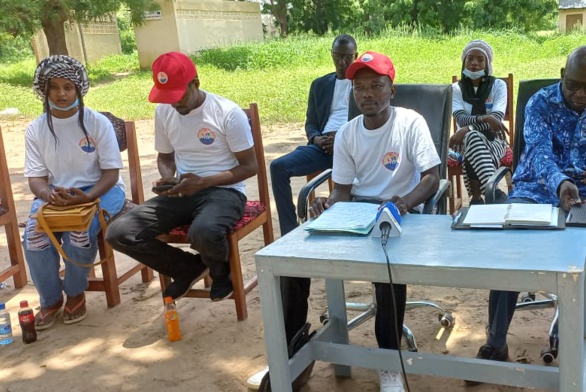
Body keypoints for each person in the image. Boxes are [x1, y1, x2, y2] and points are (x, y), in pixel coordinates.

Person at [472, 46, 586, 385]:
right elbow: (537, 153)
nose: (582, 94)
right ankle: (495, 343)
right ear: (562, 75)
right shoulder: (541, 102)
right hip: (536, 189)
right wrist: (560, 182)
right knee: (507, 242)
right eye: (574, 85)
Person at [298, 51, 440, 392]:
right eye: (359, 88)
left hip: (402, 212)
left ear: (392, 90)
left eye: (376, 86)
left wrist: (403, 203)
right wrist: (327, 203)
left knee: (387, 265)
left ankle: (389, 363)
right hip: (359, 210)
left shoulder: (410, 122)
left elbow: (431, 178)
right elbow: (343, 191)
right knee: (293, 264)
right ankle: (294, 353)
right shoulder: (347, 133)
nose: (367, 94)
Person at [106, 52, 257, 302]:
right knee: (119, 232)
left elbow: (250, 167)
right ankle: (187, 268)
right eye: (168, 97)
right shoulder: (165, 112)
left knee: (204, 231)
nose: (175, 103)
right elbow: (165, 157)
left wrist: (204, 182)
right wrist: (168, 177)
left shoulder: (227, 113)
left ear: (195, 82)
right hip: (183, 190)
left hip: (225, 191)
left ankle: (221, 274)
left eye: (179, 95)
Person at [22, 55, 126, 329]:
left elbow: (111, 174)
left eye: (68, 87)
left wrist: (89, 196)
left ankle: (76, 292)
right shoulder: (35, 128)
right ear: (43, 91)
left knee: (79, 231)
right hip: (56, 193)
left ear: (79, 88)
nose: (61, 93)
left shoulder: (97, 123)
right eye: (54, 87)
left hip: (102, 189)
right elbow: (36, 178)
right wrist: (47, 195)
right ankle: (50, 299)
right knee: (34, 236)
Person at [270, 34, 357, 236]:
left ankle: (347, 228)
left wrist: (342, 138)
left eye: (347, 57)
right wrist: (317, 138)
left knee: (354, 179)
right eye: (337, 56)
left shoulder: (362, 85)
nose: (342, 62)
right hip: (322, 145)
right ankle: (289, 233)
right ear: (332, 55)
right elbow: (311, 122)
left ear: (356, 56)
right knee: (278, 167)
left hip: (351, 145)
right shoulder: (320, 84)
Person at [450, 39, 508, 204]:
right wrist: (485, 118)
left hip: (495, 140)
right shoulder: (456, 88)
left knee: (471, 138)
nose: (474, 63)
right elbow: (460, 118)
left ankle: (476, 198)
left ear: (487, 64)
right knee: (473, 138)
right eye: (470, 59)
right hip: (465, 143)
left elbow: (496, 120)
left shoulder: (498, 85)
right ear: (464, 62)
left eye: (480, 59)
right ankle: (493, 192)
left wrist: (467, 128)